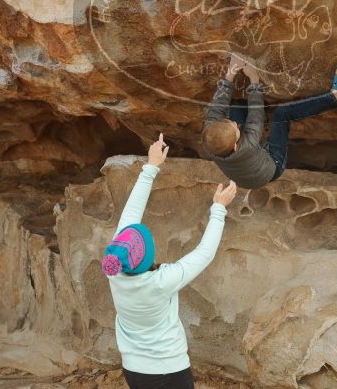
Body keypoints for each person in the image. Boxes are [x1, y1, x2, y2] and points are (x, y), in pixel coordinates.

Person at [101, 133, 237, 389]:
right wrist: (219, 208)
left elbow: (130, 216)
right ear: (147, 256)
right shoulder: (160, 282)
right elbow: (204, 254)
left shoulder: (115, 267)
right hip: (169, 372)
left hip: (134, 370)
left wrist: (151, 166)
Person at [201, 56, 337, 189]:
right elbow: (255, 115)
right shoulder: (248, 145)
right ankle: (336, 96)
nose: (234, 123)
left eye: (228, 122)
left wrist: (231, 72)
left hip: (244, 175)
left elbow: (218, 106)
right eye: (235, 128)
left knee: (235, 107)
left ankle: (257, 129)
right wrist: (254, 79)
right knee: (282, 113)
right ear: (235, 145)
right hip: (271, 167)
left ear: (212, 126)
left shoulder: (209, 139)